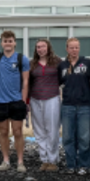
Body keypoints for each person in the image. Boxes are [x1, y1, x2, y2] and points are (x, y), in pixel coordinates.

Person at [0, 30, 30, 172]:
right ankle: (5, 160)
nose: (8, 43)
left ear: (15, 43)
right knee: (3, 131)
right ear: (1, 43)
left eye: (10, 41)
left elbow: (25, 80)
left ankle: (20, 162)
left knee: (17, 132)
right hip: (0, 101)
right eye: (5, 41)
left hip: (16, 101)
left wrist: (23, 100)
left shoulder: (21, 59)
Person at [59, 38, 90, 173]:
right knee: (68, 137)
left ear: (79, 48)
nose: (74, 50)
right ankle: (71, 164)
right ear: (67, 49)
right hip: (68, 106)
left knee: (85, 137)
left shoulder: (87, 63)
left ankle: (85, 164)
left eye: (76, 47)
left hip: (85, 106)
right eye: (71, 48)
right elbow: (56, 82)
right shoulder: (62, 66)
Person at [28, 38, 62, 171]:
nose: (40, 49)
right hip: (35, 99)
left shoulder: (57, 62)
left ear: (48, 48)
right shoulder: (32, 64)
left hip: (52, 98)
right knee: (39, 130)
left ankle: (53, 160)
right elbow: (28, 82)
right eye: (38, 47)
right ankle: (44, 160)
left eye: (43, 47)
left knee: (52, 129)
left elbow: (62, 78)